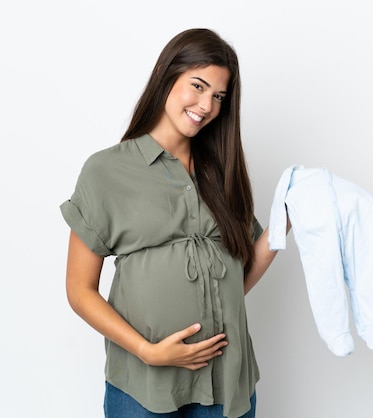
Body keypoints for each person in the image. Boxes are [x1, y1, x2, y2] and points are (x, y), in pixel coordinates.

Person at [60, 28, 281, 418]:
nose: (206, 105)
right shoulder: (106, 170)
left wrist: (287, 216)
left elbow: (238, 273)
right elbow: (80, 290)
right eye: (197, 86)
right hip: (144, 387)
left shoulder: (221, 171)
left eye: (218, 96)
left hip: (226, 383)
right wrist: (149, 351)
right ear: (167, 76)